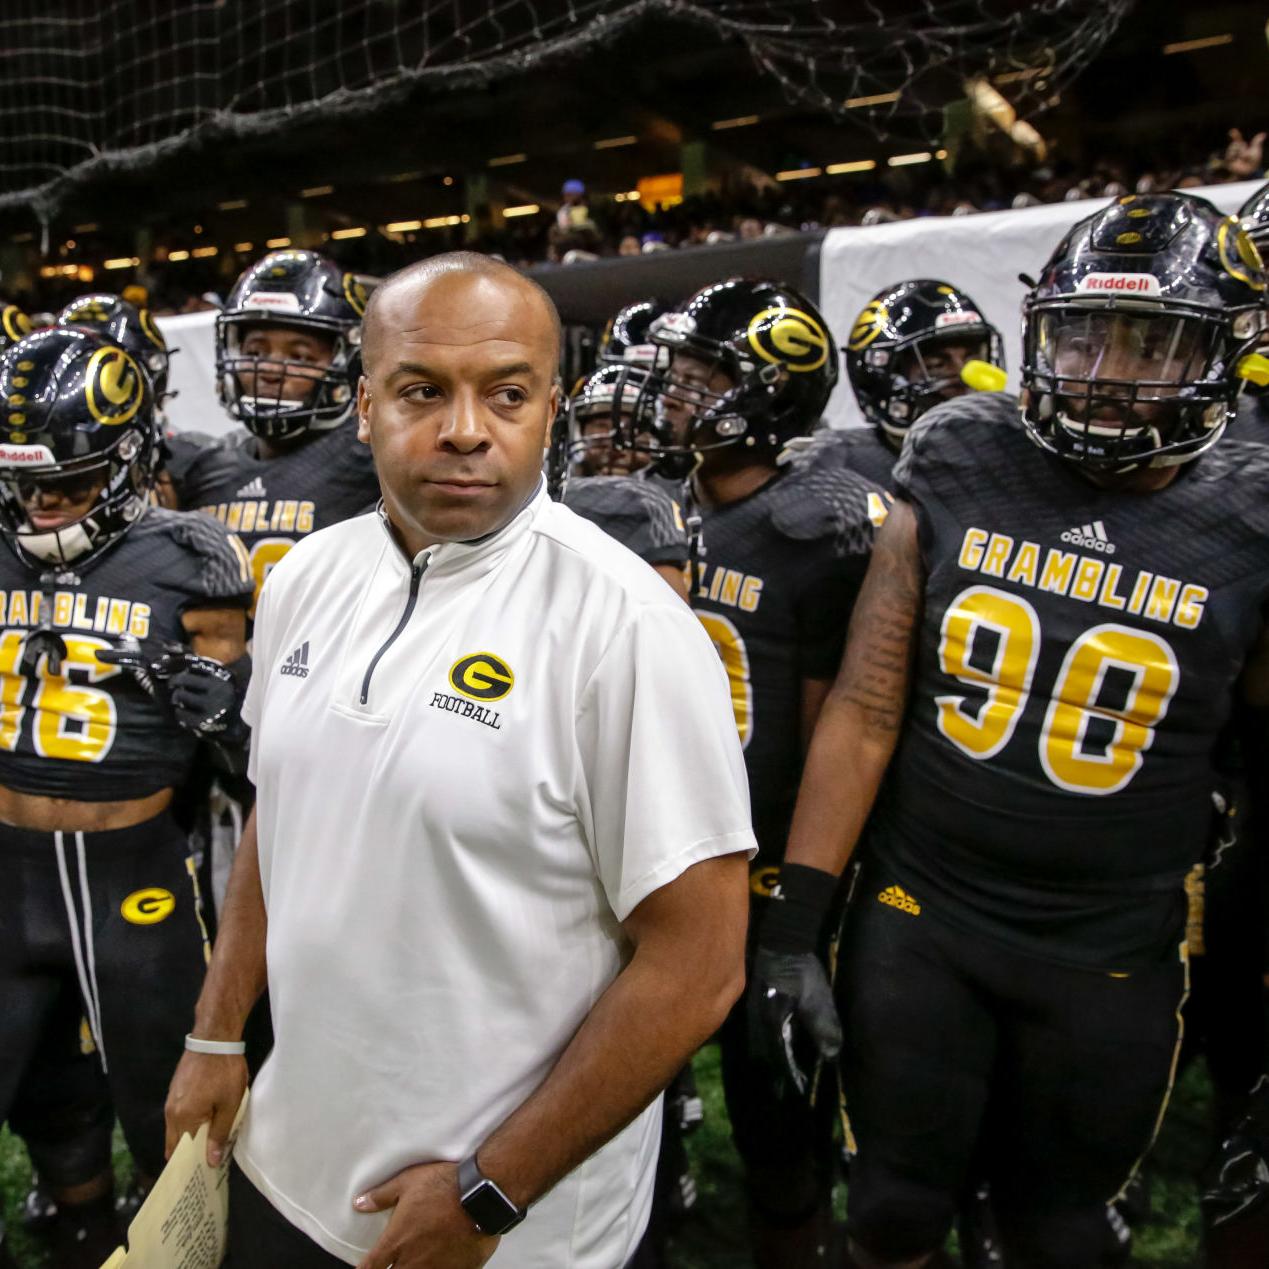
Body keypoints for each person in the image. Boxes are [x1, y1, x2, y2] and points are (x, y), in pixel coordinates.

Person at [164, 251, 753, 1269]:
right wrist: (217, 1034)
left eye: (507, 394)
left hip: (510, 1226)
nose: (466, 430)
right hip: (292, 1157)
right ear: (365, 407)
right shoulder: (306, 576)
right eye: (421, 391)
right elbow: (281, 811)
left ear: (551, 409)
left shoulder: (627, 628)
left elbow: (698, 967)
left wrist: (492, 1189)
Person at [750, 192, 1269, 1268]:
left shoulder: (1252, 511)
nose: (1106, 372)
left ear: (1225, 351)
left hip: (1109, 945)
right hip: (923, 911)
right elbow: (868, 700)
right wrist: (794, 929)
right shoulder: (960, 448)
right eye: (1082, 334)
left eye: (1150, 342)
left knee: (1057, 1228)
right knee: (891, 1209)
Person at [636, 279, 888, 1268]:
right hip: (645, 849)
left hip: (761, 868)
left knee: (779, 1124)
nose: (675, 390)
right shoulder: (650, 504)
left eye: (705, 376)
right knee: (622, 1097)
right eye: (678, 370)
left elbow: (836, 730)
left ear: (770, 395)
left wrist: (799, 912)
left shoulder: (819, 527)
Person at [0, 327, 253, 1266]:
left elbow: (249, 751)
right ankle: (81, 1226)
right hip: (8, 865)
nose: (42, 504)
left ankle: (182, 1249)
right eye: (24, 483)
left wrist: (228, 713)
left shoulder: (189, 553)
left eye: (68, 481)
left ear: (130, 458)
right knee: (41, 1090)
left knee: (169, 1101)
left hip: (135, 868)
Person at [176, 247, 380, 612]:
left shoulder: (374, 458)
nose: (269, 370)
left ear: (347, 363)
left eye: (299, 356)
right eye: (255, 352)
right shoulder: (200, 465)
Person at [806, 279, 1005, 489]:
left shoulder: (1007, 452)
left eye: (973, 359)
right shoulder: (839, 465)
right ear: (882, 373)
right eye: (937, 365)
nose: (967, 376)